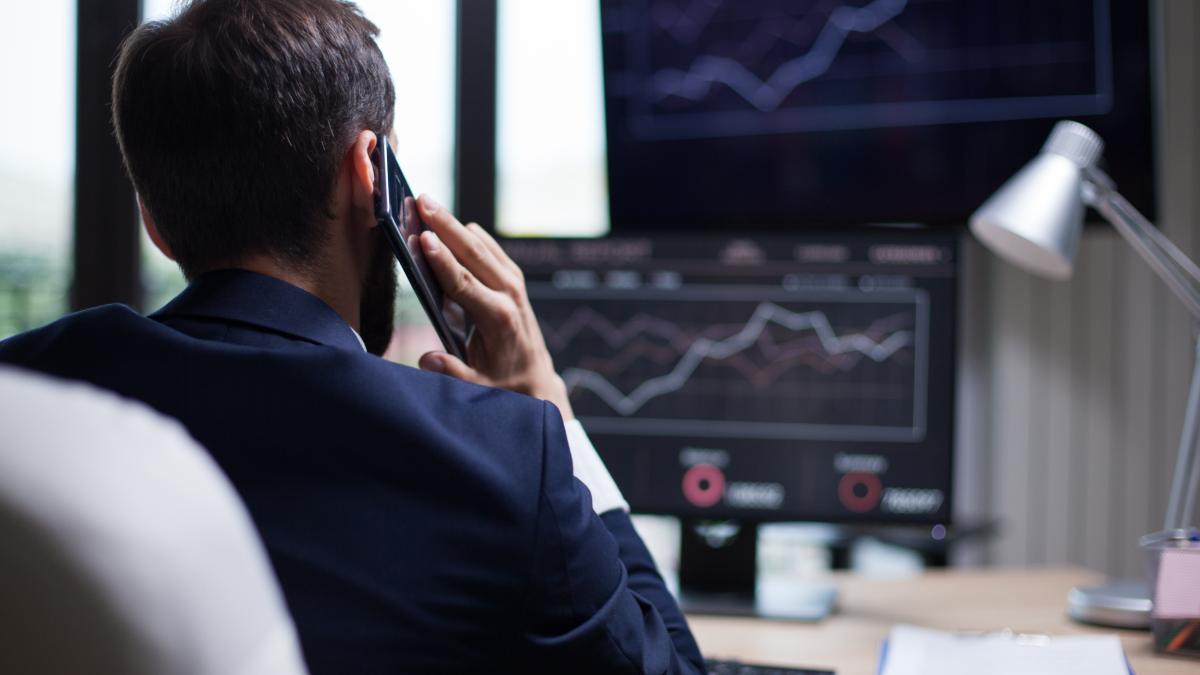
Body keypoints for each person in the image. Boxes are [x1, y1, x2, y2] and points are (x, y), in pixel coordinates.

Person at [0, 0, 704, 673]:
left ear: (153, 219)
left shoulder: (25, 397)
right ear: (371, 175)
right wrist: (556, 412)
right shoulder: (506, 454)